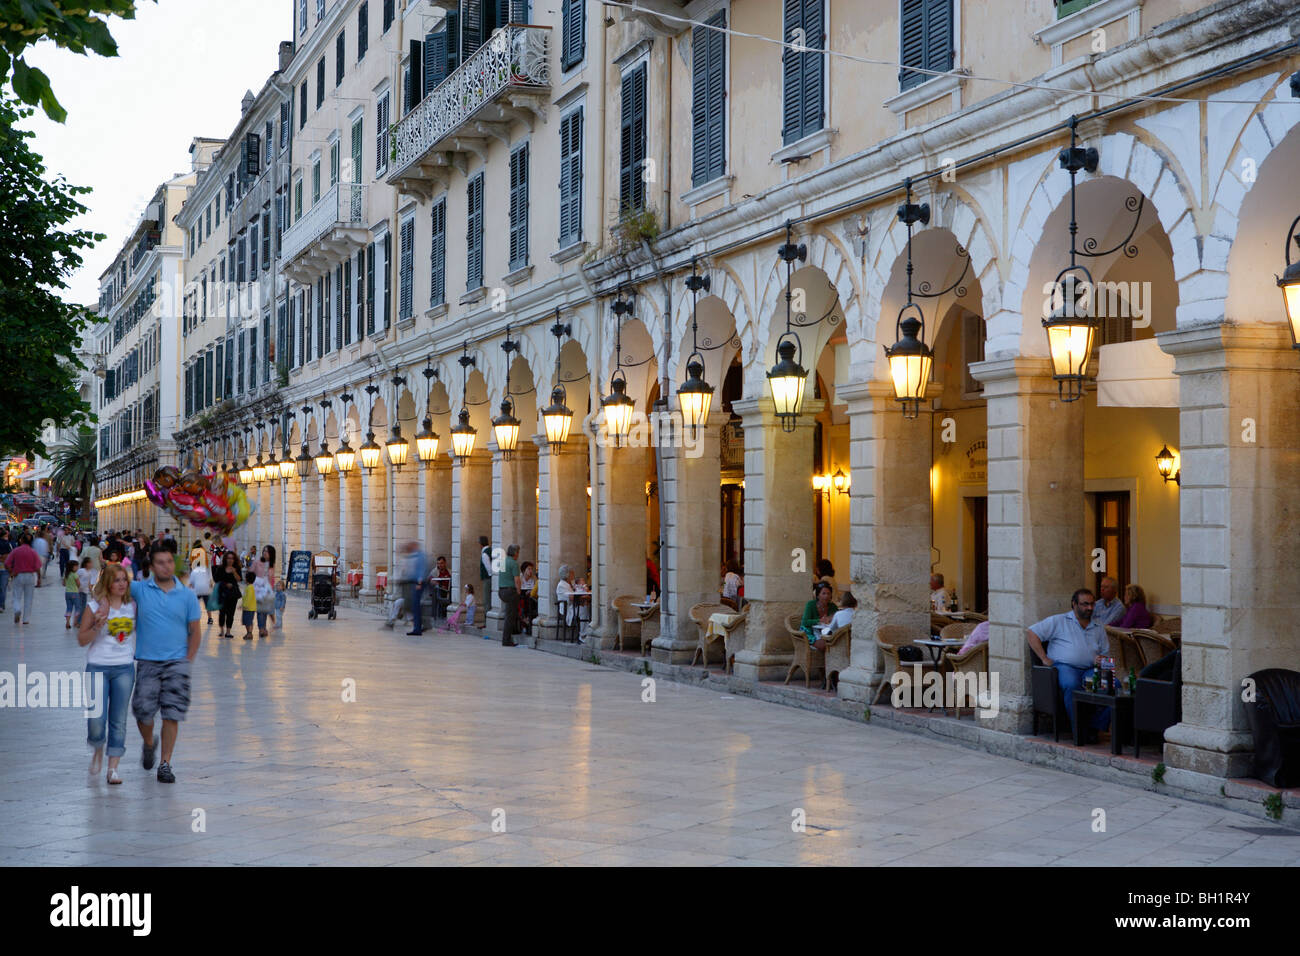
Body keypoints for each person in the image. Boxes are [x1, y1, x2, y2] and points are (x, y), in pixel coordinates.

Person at [130, 544, 201, 784]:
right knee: (142, 711)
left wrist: (187, 660)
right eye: (160, 562)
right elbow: (108, 587)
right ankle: (149, 743)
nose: (165, 566)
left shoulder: (187, 595)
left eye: (169, 562)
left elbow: (195, 631)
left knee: (172, 714)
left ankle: (165, 763)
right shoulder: (140, 590)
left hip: (176, 663)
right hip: (148, 661)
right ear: (151, 567)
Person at [78, 562, 137, 784]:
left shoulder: (132, 606)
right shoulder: (94, 607)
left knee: (118, 720)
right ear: (108, 583)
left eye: (124, 580)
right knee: (96, 718)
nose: (121, 584)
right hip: (97, 666)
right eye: (117, 580)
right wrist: (97, 627)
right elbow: (81, 640)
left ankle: (113, 769)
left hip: (124, 668)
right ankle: (97, 747)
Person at [1026, 588, 1111, 736]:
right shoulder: (1059, 620)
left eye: (1092, 604)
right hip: (1065, 667)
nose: (1089, 608)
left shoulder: (1098, 627)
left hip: (1091, 669)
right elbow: (1031, 633)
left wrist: (1101, 660)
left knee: (1112, 684)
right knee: (1071, 684)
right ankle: (1079, 730)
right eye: (1085, 604)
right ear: (1074, 604)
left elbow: (1105, 654)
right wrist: (1044, 658)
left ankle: (1095, 725)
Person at [5, 532, 41, 624]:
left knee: (17, 596)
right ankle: (26, 619)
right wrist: (39, 578)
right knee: (29, 598)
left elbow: (7, 563)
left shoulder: (16, 551)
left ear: (21, 541)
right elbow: (37, 567)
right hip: (30, 576)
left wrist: (11, 572)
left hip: (18, 575)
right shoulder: (33, 552)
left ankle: (17, 609)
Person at [212, 551, 242, 639]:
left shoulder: (236, 568)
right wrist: (225, 584)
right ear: (225, 559)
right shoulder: (221, 568)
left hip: (233, 594)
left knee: (231, 613)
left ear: (234, 559)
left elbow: (239, 579)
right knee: (222, 612)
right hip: (222, 593)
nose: (230, 560)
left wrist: (234, 572)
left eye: (232, 558)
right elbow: (216, 579)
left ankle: (228, 631)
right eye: (228, 558)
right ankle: (221, 630)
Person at [801, 581, 837, 651]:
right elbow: (804, 622)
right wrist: (819, 620)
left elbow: (838, 619)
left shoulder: (833, 606)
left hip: (827, 632)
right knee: (824, 645)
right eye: (823, 593)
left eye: (828, 593)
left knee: (835, 643)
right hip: (810, 632)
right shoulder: (810, 604)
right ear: (818, 595)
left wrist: (831, 618)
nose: (826, 596)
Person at [402, 541, 428, 637]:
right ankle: (418, 626)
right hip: (414, 582)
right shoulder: (415, 555)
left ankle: (418, 628)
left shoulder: (420, 556)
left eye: (411, 546)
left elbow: (421, 570)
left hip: (418, 583)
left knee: (415, 606)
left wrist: (419, 582)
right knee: (414, 605)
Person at [498, 544, 521, 647]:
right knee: (510, 616)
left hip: (501, 590)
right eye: (518, 552)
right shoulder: (514, 563)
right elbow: (517, 579)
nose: (518, 555)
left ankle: (509, 636)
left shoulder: (503, 562)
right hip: (510, 591)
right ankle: (506, 640)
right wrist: (519, 591)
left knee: (509, 614)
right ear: (515, 553)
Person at [252, 545, 277, 630]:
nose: (264, 553)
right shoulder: (258, 562)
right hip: (259, 589)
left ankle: (264, 627)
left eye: (267, 551)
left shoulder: (271, 564)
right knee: (260, 611)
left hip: (268, 590)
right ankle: (261, 629)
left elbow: (271, 578)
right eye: (264, 551)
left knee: (266, 610)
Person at [188, 541, 213, 624]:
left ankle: (194, 617)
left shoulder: (194, 570)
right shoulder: (203, 551)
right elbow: (210, 580)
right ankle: (210, 618)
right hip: (206, 589)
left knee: (194, 603)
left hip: (198, 589)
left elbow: (191, 583)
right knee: (207, 604)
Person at [429, 555, 451, 622]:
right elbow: (430, 579)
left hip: (449, 591)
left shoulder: (449, 571)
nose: (440, 565)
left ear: (445, 563)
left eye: (441, 563)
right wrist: (439, 585)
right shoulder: (435, 571)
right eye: (438, 563)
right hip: (440, 591)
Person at [519, 561, 538, 634]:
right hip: (522, 597)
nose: (530, 571)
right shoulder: (520, 577)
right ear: (524, 570)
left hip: (531, 598)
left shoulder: (533, 578)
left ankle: (527, 619)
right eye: (529, 569)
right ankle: (524, 618)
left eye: (531, 569)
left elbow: (535, 588)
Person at [241, 570, 258, 640]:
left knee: (249, 621)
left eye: (245, 578)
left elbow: (249, 598)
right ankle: (248, 632)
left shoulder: (250, 587)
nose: (244, 579)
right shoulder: (248, 587)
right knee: (246, 621)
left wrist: (244, 605)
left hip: (249, 608)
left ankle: (250, 633)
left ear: (247, 579)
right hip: (246, 608)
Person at [63, 562, 80, 629]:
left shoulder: (66, 575)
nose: (77, 568)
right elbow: (78, 584)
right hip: (74, 592)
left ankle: (67, 622)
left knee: (69, 608)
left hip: (67, 593)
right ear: (72, 567)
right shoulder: (75, 575)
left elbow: (63, 584)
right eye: (76, 566)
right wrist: (77, 587)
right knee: (77, 608)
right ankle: (75, 622)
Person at [479, 535, 493, 613]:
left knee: (486, 599)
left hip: (487, 578)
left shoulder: (485, 554)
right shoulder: (491, 550)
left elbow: (488, 568)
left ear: (481, 544)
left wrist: (490, 576)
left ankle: (486, 618)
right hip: (490, 578)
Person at [0, 527, 12, 613]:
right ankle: (1, 605)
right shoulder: (7, 544)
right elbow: (9, 557)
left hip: (4, 568)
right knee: (3, 588)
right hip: (4, 569)